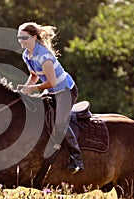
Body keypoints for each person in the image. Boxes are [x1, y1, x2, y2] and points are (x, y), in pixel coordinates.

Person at [17, 22, 84, 174]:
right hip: (52, 90)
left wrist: (32, 89)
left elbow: (52, 82)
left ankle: (76, 158)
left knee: (59, 123)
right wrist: (24, 89)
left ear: (34, 37)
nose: (21, 40)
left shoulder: (44, 57)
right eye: (19, 37)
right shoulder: (26, 54)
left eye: (24, 37)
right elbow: (34, 76)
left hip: (65, 90)